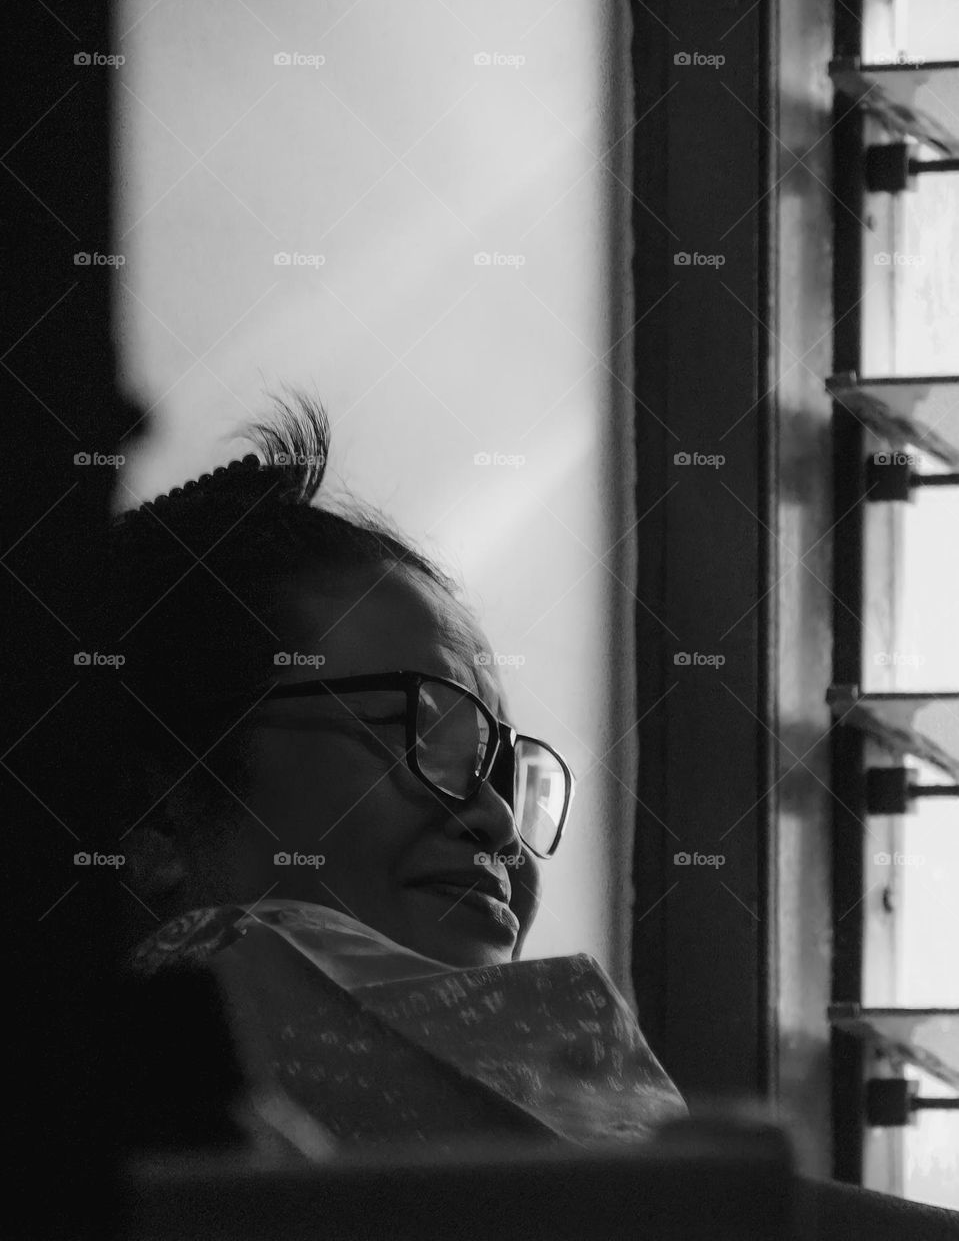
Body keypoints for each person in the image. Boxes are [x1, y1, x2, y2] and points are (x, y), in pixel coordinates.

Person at [106, 393, 959, 1236]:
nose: (498, 824)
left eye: (505, 772)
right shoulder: (242, 961)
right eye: (426, 736)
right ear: (160, 819)